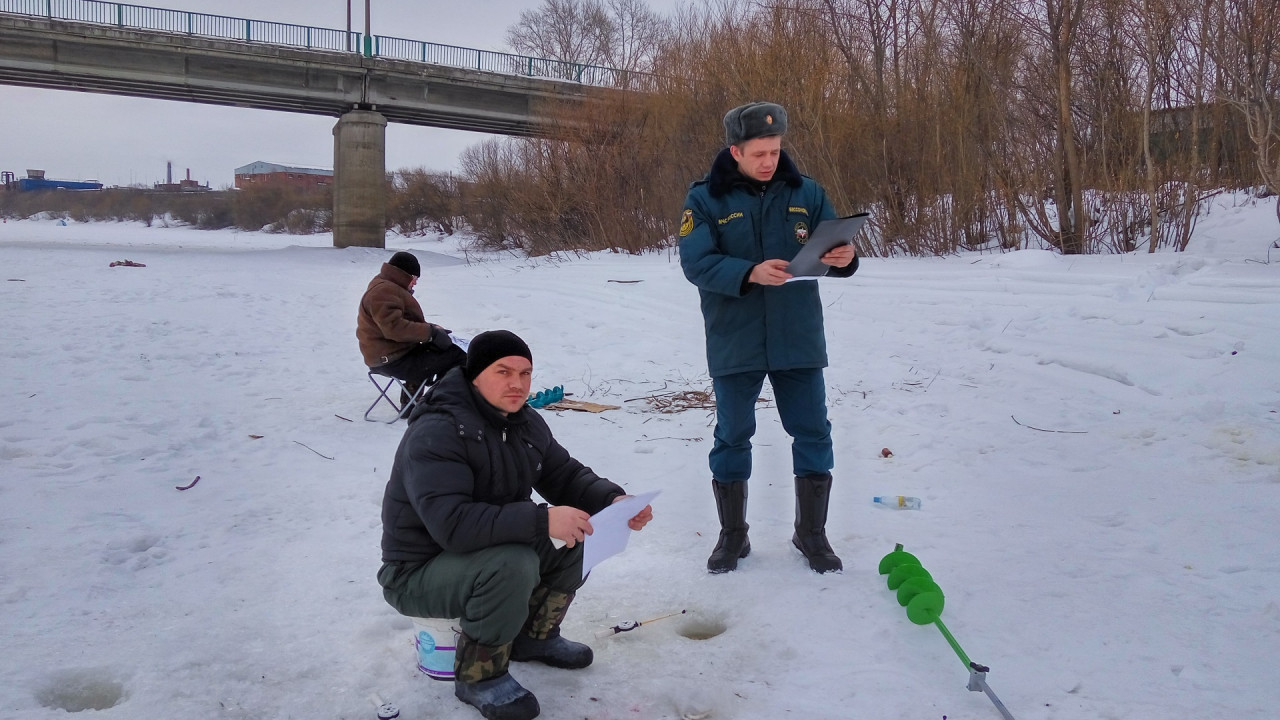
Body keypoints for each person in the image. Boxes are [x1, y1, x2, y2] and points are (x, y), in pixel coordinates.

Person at [377, 330, 654, 720]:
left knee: (576, 537)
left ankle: (533, 638)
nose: (517, 384)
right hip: (416, 571)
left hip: (481, 552)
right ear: (475, 375)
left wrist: (613, 501)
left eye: (525, 373)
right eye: (503, 372)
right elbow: (452, 525)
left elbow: (565, 475)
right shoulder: (438, 431)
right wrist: (542, 520)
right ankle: (480, 677)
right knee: (513, 563)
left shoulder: (524, 422)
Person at [677, 101, 859, 575]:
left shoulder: (807, 192)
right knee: (733, 434)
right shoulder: (705, 199)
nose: (768, 161)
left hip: (797, 335)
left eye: (775, 151)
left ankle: (811, 533)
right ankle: (733, 534)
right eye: (758, 153)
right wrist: (750, 272)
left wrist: (845, 258)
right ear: (735, 151)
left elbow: (832, 245)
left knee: (813, 430)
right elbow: (696, 263)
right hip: (735, 337)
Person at [356, 251, 466, 406]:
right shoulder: (384, 291)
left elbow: (400, 322)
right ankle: (441, 403)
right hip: (391, 360)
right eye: (414, 277)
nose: (415, 283)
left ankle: (411, 404)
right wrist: (430, 333)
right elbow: (394, 328)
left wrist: (433, 329)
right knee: (456, 355)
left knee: (434, 350)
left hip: (391, 354)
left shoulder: (386, 285)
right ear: (403, 274)